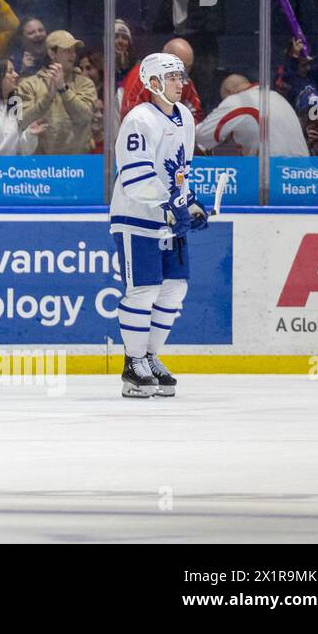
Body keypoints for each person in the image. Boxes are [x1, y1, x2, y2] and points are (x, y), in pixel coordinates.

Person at [109, 52, 208, 398]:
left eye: (181, 77)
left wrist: (190, 202)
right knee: (144, 290)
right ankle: (132, 365)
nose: (181, 83)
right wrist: (170, 206)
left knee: (174, 288)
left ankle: (150, 357)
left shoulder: (185, 117)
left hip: (168, 218)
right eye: (172, 77)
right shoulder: (139, 120)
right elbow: (136, 178)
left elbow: (178, 171)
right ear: (153, 83)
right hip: (136, 218)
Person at [14, 30, 98, 155]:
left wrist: (63, 89)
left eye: (74, 50)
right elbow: (20, 123)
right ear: (52, 54)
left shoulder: (85, 83)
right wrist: (47, 98)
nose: (73, 55)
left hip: (78, 167)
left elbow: (85, 118)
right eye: (67, 50)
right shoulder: (28, 85)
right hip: (39, 167)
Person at [196, 73, 309, 158]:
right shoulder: (277, 97)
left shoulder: (238, 101)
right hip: (300, 178)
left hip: (275, 177)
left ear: (229, 92)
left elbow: (201, 136)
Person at [120, 37, 205, 123]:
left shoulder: (184, 80)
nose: (185, 74)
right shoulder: (142, 75)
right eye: (181, 67)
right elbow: (131, 117)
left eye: (188, 68)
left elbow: (196, 115)